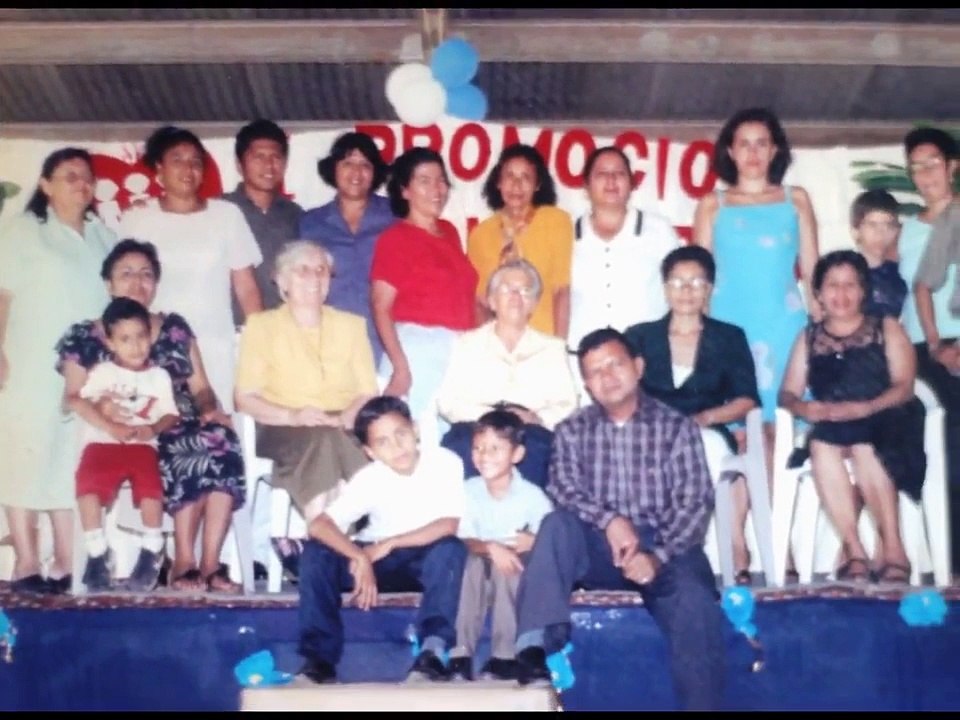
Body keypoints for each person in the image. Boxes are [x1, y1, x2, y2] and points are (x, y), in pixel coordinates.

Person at [513, 328, 725, 711]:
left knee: (694, 597)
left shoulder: (676, 427)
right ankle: (535, 645)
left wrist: (656, 555)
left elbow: (694, 503)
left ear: (638, 367)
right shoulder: (571, 430)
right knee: (557, 527)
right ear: (587, 385)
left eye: (615, 364)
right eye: (595, 371)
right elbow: (562, 488)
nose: (607, 377)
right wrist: (610, 520)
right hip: (597, 546)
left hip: (665, 547)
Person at [57, 239, 246, 593]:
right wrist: (111, 421)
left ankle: (211, 563)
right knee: (187, 444)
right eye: (126, 273)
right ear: (108, 283)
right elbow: (72, 396)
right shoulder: (85, 335)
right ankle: (183, 563)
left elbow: (201, 386)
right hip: (122, 432)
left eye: (146, 274)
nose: (137, 282)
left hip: (176, 417)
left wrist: (209, 411)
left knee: (221, 439)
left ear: (156, 284)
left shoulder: (174, 327)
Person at [0, 147, 114, 595]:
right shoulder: (22, 232)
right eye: (70, 176)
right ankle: (27, 560)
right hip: (29, 362)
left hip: (87, 372)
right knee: (25, 457)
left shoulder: (103, 235)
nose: (81, 184)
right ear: (45, 185)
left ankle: (67, 560)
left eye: (87, 177)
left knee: (71, 459)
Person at [296, 396, 467, 684]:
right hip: (376, 559)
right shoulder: (370, 478)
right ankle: (319, 660)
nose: (396, 446)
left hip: (424, 556)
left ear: (415, 430)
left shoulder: (445, 462)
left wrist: (391, 543)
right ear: (370, 451)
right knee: (316, 553)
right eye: (383, 442)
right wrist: (358, 556)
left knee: (451, 549)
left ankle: (432, 651)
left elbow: (448, 524)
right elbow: (319, 525)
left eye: (401, 434)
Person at [779, 251, 925, 584]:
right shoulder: (809, 337)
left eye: (850, 285)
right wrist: (806, 409)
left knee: (863, 445)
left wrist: (865, 408)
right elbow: (787, 394)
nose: (841, 295)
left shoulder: (885, 327)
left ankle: (893, 548)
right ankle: (855, 550)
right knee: (821, 445)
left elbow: (904, 386)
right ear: (817, 293)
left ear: (863, 291)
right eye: (832, 286)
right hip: (834, 423)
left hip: (889, 418)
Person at [624, 245, 760, 584]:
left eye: (697, 283)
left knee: (713, 452)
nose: (686, 291)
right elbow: (623, 394)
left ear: (710, 289)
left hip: (708, 427)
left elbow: (747, 399)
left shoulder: (729, 337)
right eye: (678, 282)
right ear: (665, 288)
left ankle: (735, 548)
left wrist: (705, 419)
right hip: (652, 434)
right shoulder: (639, 336)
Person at [693, 107, 819, 453]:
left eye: (761, 143)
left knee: (782, 429)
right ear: (730, 151)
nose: (752, 153)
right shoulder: (711, 205)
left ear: (775, 150)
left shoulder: (797, 200)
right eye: (744, 144)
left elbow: (812, 271)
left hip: (785, 326)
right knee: (743, 435)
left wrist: (823, 332)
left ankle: (777, 508)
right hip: (729, 326)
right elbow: (698, 275)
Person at [119, 125, 263, 413]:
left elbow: (245, 286)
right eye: (177, 159)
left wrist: (261, 344)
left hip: (215, 346)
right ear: (159, 168)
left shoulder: (226, 216)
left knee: (215, 434)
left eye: (196, 161)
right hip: (153, 346)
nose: (188, 168)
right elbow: (124, 290)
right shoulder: (138, 218)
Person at [235, 240, 378, 524]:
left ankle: (320, 542)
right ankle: (350, 528)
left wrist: (346, 416)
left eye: (321, 270)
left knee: (330, 438)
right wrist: (294, 416)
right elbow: (245, 398)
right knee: (327, 441)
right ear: (282, 281)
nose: (314, 278)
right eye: (303, 271)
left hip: (342, 424)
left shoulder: (352, 325)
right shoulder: (262, 327)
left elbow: (367, 391)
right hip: (282, 426)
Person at [67, 297, 179, 592]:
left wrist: (152, 428)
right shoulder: (103, 372)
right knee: (87, 484)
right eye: (125, 339)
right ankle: (97, 552)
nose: (136, 346)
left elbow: (170, 414)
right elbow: (81, 400)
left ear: (151, 336)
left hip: (141, 445)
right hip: (102, 444)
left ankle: (152, 546)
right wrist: (106, 413)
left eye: (141, 337)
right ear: (110, 342)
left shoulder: (159, 376)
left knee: (150, 485)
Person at [436, 259, 578, 487]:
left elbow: (567, 404)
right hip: (475, 426)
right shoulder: (466, 344)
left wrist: (538, 418)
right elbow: (448, 401)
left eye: (525, 291)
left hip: (528, 430)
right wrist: (491, 421)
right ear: (492, 301)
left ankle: (527, 521)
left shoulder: (552, 347)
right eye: (507, 289)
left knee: (540, 451)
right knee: (458, 446)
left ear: (533, 304)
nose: (516, 296)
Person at [371, 147, 478, 439]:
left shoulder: (450, 231)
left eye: (441, 180)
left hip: (457, 350)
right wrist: (400, 368)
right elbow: (380, 307)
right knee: (418, 439)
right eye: (425, 180)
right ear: (405, 190)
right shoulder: (395, 238)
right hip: (418, 351)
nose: (437, 189)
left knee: (455, 439)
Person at [447, 410, 553, 682]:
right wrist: (492, 547)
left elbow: (550, 540)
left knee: (509, 566)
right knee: (470, 561)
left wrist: (535, 542)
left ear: (517, 454)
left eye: (495, 448)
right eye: (478, 448)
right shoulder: (467, 490)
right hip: (478, 568)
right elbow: (463, 537)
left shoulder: (532, 496)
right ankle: (460, 655)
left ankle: (504, 657)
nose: (484, 455)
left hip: (513, 575)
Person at [903, 126, 960, 572]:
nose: (925, 174)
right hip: (919, 353)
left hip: (952, 345)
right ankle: (938, 558)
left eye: (933, 164)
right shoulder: (907, 230)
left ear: (952, 167)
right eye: (916, 167)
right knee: (930, 450)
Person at [568, 145, 682, 357]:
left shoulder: (659, 230)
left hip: (647, 358)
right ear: (586, 185)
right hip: (584, 364)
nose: (611, 180)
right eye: (602, 174)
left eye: (619, 173)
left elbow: (679, 291)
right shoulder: (567, 235)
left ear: (631, 183)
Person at [300, 131, 394, 366]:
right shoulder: (310, 223)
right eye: (348, 164)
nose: (356, 173)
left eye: (365, 165)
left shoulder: (396, 216)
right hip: (330, 342)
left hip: (387, 341)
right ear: (334, 169)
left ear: (375, 172)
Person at [466, 143, 573, 338]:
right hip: (500, 346)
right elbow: (480, 302)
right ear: (498, 182)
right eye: (510, 176)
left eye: (525, 177)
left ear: (538, 185)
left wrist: (558, 347)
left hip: (543, 340)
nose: (516, 185)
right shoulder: (480, 234)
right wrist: (488, 347)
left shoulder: (556, 221)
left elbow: (561, 291)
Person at [222, 118, 304, 323]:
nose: (269, 165)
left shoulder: (296, 216)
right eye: (258, 157)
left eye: (276, 157)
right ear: (239, 164)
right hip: (227, 333)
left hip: (283, 333)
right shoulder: (219, 209)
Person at [849, 189, 907, 319]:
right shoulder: (848, 274)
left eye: (889, 225)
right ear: (855, 231)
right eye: (872, 225)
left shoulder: (904, 273)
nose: (881, 233)